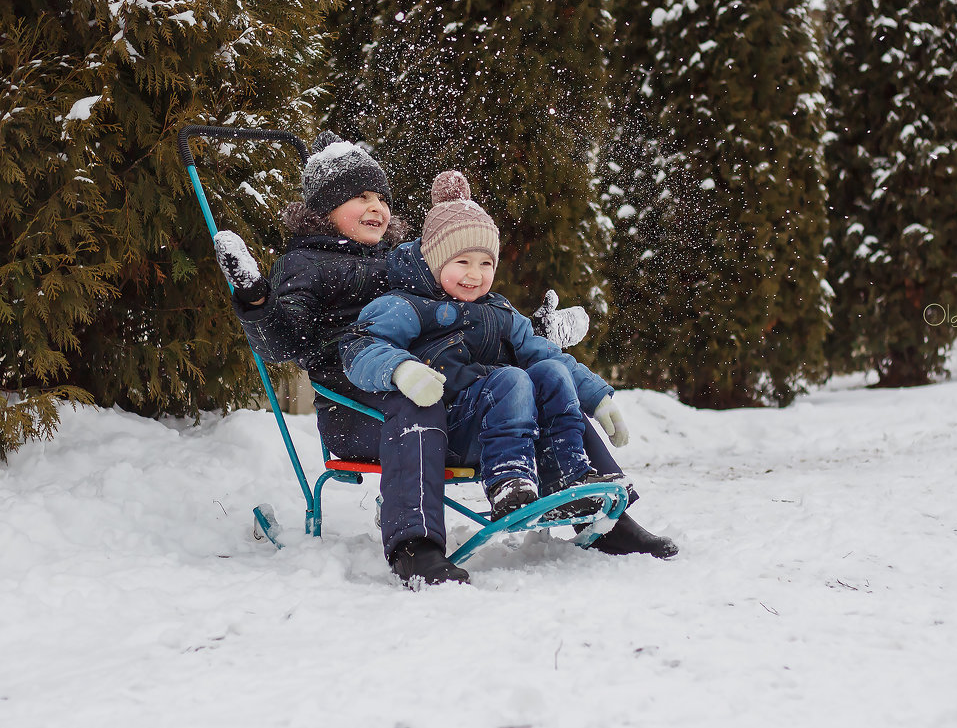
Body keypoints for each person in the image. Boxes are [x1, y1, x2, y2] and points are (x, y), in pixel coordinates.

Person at [214, 132, 676, 588]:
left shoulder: (401, 262)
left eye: (381, 196)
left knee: (539, 380)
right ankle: (416, 545)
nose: (377, 206)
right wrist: (257, 302)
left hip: (438, 388)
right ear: (322, 208)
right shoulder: (307, 265)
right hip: (357, 404)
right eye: (360, 196)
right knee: (416, 397)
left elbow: (457, 312)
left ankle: (604, 514)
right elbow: (284, 344)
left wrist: (522, 333)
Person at [340, 171, 628, 522]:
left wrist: (597, 396)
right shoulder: (407, 304)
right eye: (462, 262)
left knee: (550, 371)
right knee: (512, 380)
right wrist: (401, 368)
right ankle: (509, 481)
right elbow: (360, 346)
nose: (474, 274)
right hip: (447, 426)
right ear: (434, 261)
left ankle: (569, 476)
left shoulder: (499, 310)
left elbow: (544, 351)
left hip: (509, 422)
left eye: (485, 263)